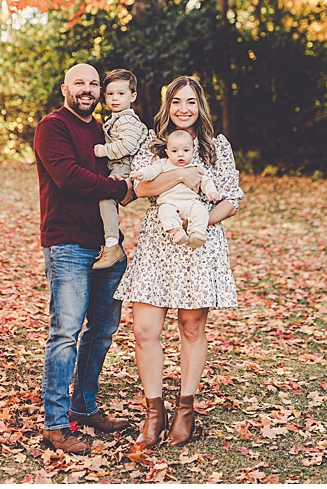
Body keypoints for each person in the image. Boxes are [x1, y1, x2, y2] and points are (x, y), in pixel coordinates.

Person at [113, 76, 241, 449]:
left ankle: (185, 409)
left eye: (190, 101)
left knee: (190, 328)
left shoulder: (217, 148)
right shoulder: (151, 146)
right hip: (158, 244)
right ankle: (154, 412)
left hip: (198, 247)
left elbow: (231, 200)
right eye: (176, 102)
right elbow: (137, 191)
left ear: (200, 106)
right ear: (166, 106)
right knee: (144, 331)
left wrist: (199, 217)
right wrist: (180, 175)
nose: (183, 109)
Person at [34, 63, 135, 455]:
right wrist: (121, 187)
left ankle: (84, 406)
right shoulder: (53, 127)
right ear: (65, 88)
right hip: (68, 244)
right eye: (80, 83)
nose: (88, 89)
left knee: (102, 331)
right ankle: (56, 424)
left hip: (107, 245)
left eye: (94, 83)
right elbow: (70, 178)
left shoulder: (103, 129)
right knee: (65, 334)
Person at [92, 69, 149, 270]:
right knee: (106, 200)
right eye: (110, 94)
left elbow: (128, 146)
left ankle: (111, 245)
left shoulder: (126, 119)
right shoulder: (117, 118)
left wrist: (102, 151)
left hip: (125, 167)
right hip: (119, 166)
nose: (115, 98)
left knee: (105, 197)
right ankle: (110, 243)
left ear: (133, 96)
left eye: (121, 94)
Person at [132, 128, 221, 247]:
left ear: (193, 151)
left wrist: (211, 192)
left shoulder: (195, 167)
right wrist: (142, 174)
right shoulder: (163, 164)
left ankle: (197, 234)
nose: (180, 154)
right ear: (167, 152)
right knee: (164, 212)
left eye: (185, 150)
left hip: (191, 202)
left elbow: (206, 181)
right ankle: (176, 232)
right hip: (169, 202)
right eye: (174, 151)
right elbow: (151, 171)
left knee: (201, 211)